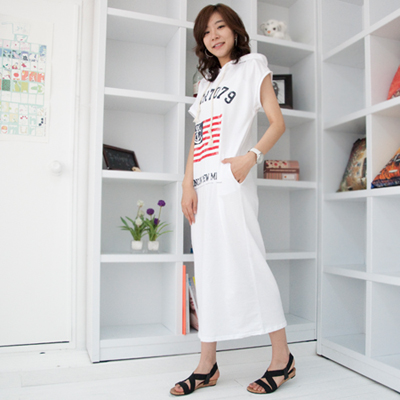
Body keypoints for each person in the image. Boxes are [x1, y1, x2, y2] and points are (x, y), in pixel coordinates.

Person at [170, 3, 295, 396]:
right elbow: (198, 139)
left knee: (251, 264)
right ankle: (207, 365)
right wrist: (187, 184)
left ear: (235, 30)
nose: (214, 36)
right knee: (207, 271)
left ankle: (283, 358)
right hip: (203, 189)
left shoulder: (252, 65)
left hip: (232, 183)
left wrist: (250, 157)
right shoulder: (206, 84)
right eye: (206, 32)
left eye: (220, 27)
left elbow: (277, 122)